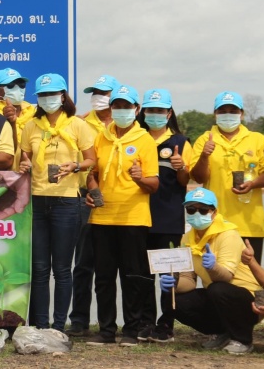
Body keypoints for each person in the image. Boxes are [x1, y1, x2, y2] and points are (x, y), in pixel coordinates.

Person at [17, 73, 96, 332]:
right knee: (39, 268)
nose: (47, 99)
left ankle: (58, 328)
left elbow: (91, 159)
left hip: (67, 202)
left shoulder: (77, 125)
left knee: (62, 269)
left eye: (52, 94)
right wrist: (24, 164)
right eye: (43, 95)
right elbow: (24, 158)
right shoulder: (31, 125)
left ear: (63, 96)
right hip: (37, 201)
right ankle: (41, 326)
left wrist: (75, 166)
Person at [85, 85, 159, 346]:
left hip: (133, 217)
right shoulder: (101, 137)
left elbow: (154, 184)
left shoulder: (145, 140)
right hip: (103, 216)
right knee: (104, 277)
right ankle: (106, 331)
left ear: (136, 110)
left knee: (133, 276)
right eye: (117, 106)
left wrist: (140, 179)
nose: (121, 110)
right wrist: (92, 191)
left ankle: (131, 330)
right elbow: (91, 173)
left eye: (127, 106)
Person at [159, 188, 261, 355]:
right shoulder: (187, 238)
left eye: (203, 210)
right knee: (173, 299)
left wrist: (213, 267)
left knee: (217, 288)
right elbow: (189, 280)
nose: (196, 214)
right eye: (191, 209)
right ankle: (223, 333)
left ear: (214, 212)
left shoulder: (228, 235)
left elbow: (226, 277)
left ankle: (243, 340)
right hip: (218, 297)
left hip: (250, 299)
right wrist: (175, 284)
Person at [135, 89, 193, 343]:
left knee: (168, 276)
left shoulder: (180, 142)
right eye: (151, 110)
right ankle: (145, 322)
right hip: (138, 217)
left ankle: (166, 324)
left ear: (169, 113)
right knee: (143, 275)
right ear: (143, 112)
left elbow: (185, 180)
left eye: (160, 110)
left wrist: (181, 167)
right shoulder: (136, 138)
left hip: (169, 218)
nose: (155, 114)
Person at [191, 91, 264, 263]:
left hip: (250, 225)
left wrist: (256, 180)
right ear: (215, 114)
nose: (228, 115)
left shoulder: (257, 139)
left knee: (250, 276)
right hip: (214, 224)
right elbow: (199, 178)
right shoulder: (204, 139)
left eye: (233, 111)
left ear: (241, 114)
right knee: (216, 276)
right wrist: (204, 156)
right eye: (222, 111)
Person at [67, 73, 120, 336]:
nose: (98, 97)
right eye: (95, 93)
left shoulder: (126, 125)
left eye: (104, 93)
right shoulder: (80, 123)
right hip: (87, 199)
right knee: (83, 263)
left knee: (111, 266)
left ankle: (109, 323)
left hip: (119, 201)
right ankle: (79, 320)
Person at [0, 68, 35, 169]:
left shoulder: (33, 112)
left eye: (21, 84)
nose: (18, 88)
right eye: (11, 85)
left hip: (32, 174)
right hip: (3, 175)